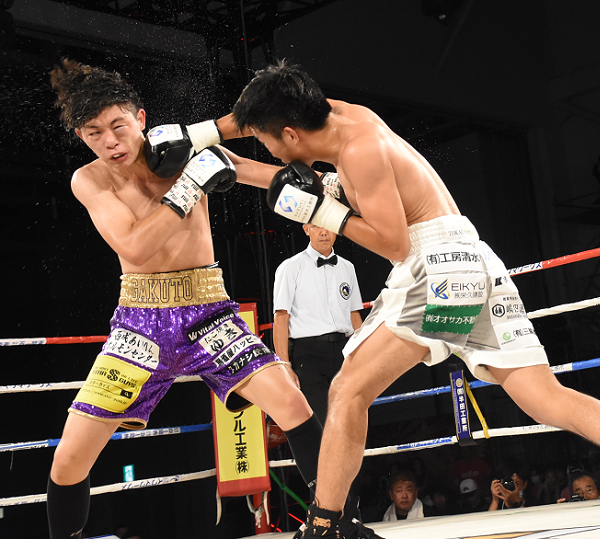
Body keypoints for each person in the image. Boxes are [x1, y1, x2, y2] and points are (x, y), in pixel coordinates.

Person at [148, 61, 600, 536]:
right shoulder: (344, 117)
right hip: (474, 260)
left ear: (290, 134)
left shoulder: (359, 151)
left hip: (433, 266)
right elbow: (267, 112)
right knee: (543, 396)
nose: (266, 145)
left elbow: (393, 243)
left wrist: (318, 211)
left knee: (346, 390)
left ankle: (325, 527)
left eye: (268, 141)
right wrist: (207, 140)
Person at [45, 59, 377, 539]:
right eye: (95, 134)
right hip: (141, 323)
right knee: (69, 457)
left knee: (293, 405)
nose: (111, 142)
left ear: (140, 118)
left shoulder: (182, 147)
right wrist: (190, 184)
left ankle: (336, 525)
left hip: (210, 312)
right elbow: (135, 246)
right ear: (82, 136)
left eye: (118, 126)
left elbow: (251, 170)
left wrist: (328, 187)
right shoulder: (89, 180)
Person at [273, 223, 363, 424]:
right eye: (317, 226)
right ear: (306, 229)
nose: (323, 232)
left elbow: (354, 315)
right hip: (308, 356)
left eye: (328, 226)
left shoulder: (347, 267)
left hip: (344, 352)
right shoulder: (290, 267)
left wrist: (364, 356)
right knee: (321, 424)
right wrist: (284, 366)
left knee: (351, 420)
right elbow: (281, 318)